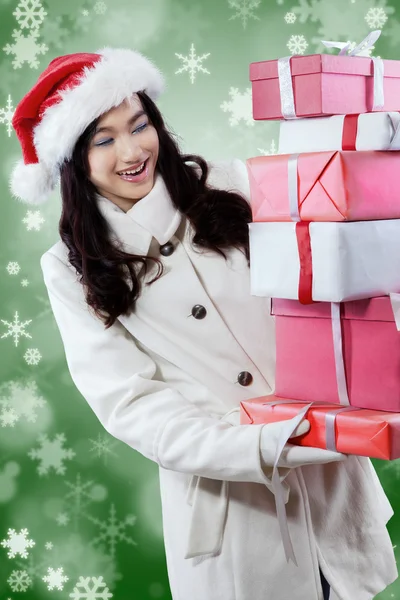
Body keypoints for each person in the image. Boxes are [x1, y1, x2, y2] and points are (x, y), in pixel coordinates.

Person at [9, 48, 397, 600]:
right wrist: (261, 446)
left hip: (333, 479)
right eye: (104, 139)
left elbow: (332, 268)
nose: (132, 150)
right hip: (233, 515)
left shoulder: (231, 185)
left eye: (140, 125)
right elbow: (133, 405)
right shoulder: (69, 268)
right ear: (74, 161)